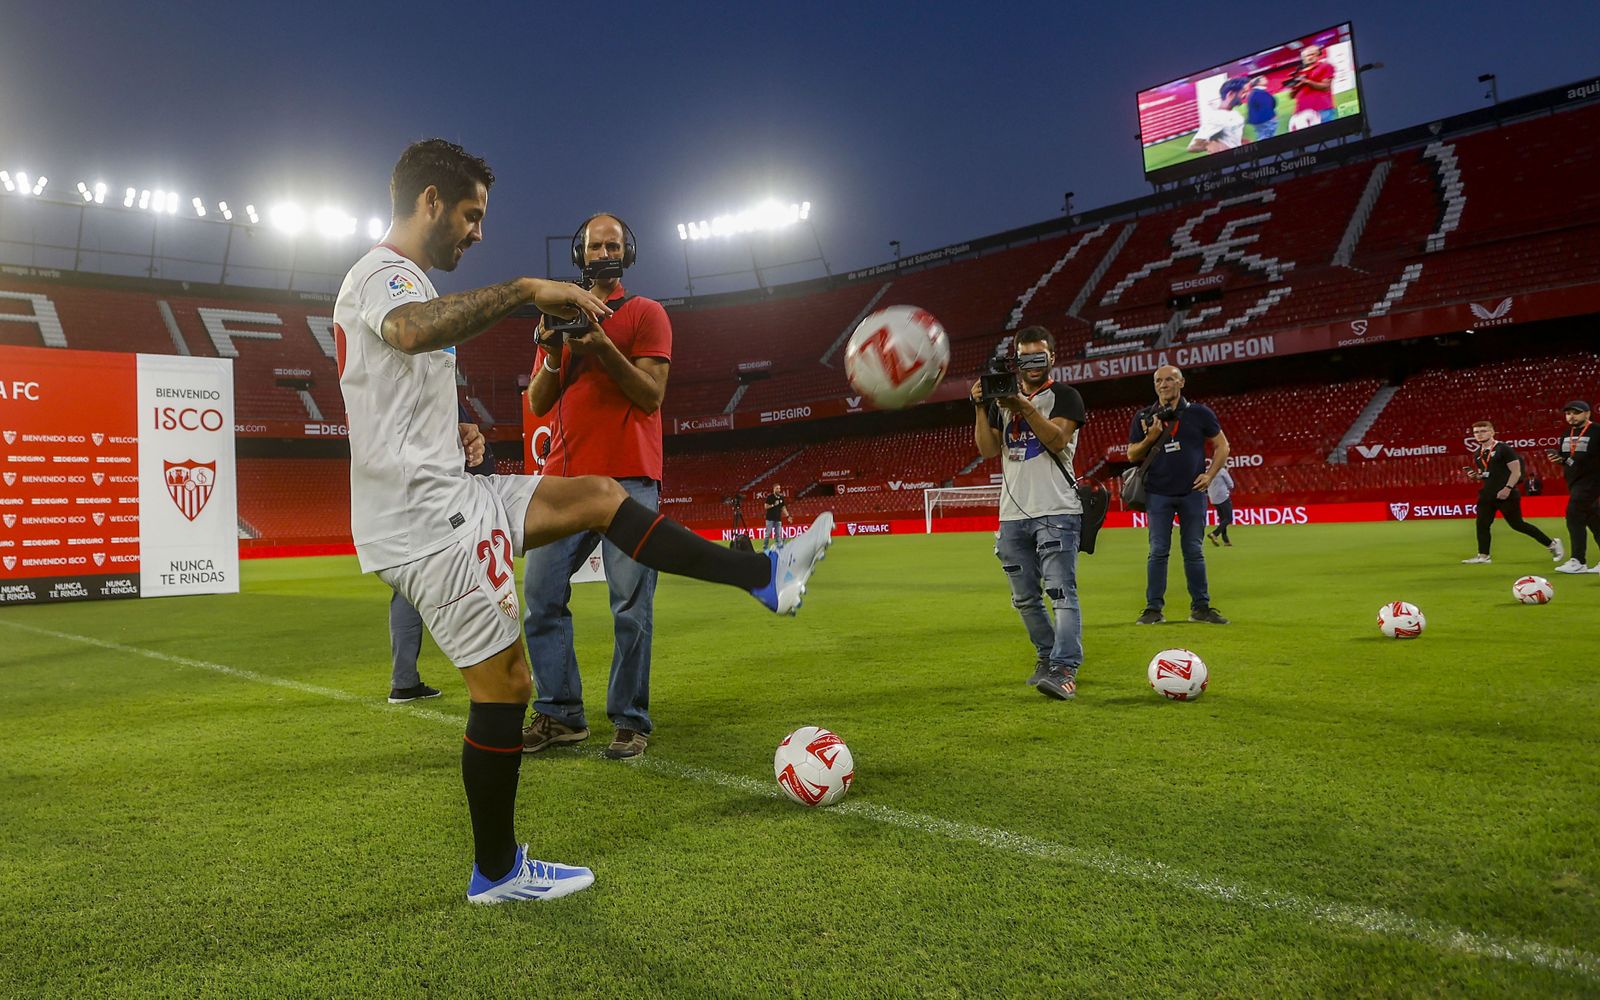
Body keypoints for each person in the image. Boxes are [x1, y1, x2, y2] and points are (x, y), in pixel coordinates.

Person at [336, 139, 834, 906]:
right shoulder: (386, 275)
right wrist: (529, 288)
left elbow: (398, 378)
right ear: (429, 201)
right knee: (506, 685)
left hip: (452, 492)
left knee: (600, 493)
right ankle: (497, 872)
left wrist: (458, 436)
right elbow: (409, 331)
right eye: (470, 216)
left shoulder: (405, 281)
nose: (476, 232)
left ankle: (764, 577)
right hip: (425, 521)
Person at [521, 213, 672, 763]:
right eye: (593, 245)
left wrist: (602, 346)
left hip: (630, 477)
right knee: (539, 595)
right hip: (564, 478)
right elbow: (539, 401)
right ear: (578, 256)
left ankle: (630, 720)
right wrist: (553, 347)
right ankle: (561, 714)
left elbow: (650, 396)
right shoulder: (559, 312)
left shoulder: (647, 314)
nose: (603, 251)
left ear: (627, 252)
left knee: (631, 605)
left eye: (612, 244)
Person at [970, 327, 1088, 700]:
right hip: (1012, 514)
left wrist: (1022, 406)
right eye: (1025, 358)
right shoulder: (999, 401)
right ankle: (1046, 657)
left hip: (1057, 510)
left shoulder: (1066, 396)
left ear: (1052, 357)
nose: (1032, 365)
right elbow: (988, 450)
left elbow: (1057, 439)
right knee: (1024, 598)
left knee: (1060, 593)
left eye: (1039, 357)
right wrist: (979, 406)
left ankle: (1065, 668)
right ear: (1016, 361)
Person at [387, 412, 496, 704]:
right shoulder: (433, 393)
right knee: (476, 584)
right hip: (442, 506)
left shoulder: (391, 399)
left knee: (406, 594)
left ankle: (404, 681)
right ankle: (495, 670)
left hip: (401, 506)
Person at [1128, 365, 1230, 625]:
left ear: (1181, 382)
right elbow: (1131, 455)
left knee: (1194, 551)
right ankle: (1153, 609)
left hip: (1192, 493)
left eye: (1170, 379)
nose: (1164, 384)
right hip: (1157, 494)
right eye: (1159, 381)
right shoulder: (1144, 416)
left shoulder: (1199, 413)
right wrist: (1150, 438)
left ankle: (1201, 607)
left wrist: (1209, 475)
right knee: (1158, 551)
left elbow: (1222, 446)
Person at [1459, 420, 1561, 565]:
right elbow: (1486, 474)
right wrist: (1476, 476)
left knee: (1517, 525)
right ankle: (1483, 556)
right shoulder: (1478, 453)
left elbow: (1516, 471)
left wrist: (1507, 488)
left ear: (1492, 432)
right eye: (1476, 432)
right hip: (1487, 493)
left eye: (1483, 431)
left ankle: (1552, 544)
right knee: (1482, 524)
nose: (1479, 434)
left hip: (1506, 493)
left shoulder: (1503, 449)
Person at [1549, 400, 1600, 574]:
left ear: (1587, 414)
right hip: (1574, 482)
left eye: (1576, 413)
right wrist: (1559, 460)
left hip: (1592, 481)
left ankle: (1578, 560)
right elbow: (1567, 459)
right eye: (1568, 413)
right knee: (1595, 521)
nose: (1571, 416)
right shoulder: (1565, 434)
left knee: (1574, 514)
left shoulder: (1597, 431)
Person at [1187, 78, 1247, 154]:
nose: (1245, 95)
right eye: (1243, 92)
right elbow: (1192, 146)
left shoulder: (1235, 113)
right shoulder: (1217, 117)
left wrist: (1243, 141)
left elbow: (1231, 137)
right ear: (1230, 94)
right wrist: (1209, 145)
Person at [1288, 42, 1337, 124]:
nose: (1310, 57)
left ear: (1318, 55)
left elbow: (1326, 87)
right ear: (1303, 58)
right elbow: (1291, 96)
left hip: (1322, 110)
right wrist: (1296, 86)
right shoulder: (1298, 72)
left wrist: (1307, 81)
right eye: (1308, 55)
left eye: (1313, 54)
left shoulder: (1325, 66)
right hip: (1301, 113)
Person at [1206, 466, 1236, 546]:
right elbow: (1231, 484)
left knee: (1223, 519)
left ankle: (1226, 540)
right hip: (1223, 496)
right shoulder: (1222, 470)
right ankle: (1214, 534)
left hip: (1213, 498)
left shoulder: (1208, 471)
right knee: (1229, 518)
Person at [1244, 76, 1279, 141]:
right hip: (1265, 120)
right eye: (1263, 79)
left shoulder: (1255, 92)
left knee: (1264, 136)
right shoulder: (1259, 93)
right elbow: (1266, 106)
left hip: (1260, 120)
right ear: (1258, 83)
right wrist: (1272, 116)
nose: (1266, 79)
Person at [762, 485, 792, 550]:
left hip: (778, 519)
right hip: (770, 519)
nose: (779, 490)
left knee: (778, 535)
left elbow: (783, 507)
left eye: (779, 488)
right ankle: (765, 548)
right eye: (777, 488)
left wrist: (788, 516)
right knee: (768, 534)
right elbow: (765, 506)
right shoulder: (770, 497)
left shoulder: (781, 497)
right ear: (774, 489)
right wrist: (773, 505)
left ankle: (779, 548)